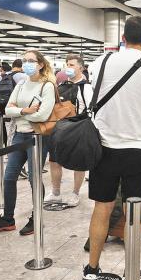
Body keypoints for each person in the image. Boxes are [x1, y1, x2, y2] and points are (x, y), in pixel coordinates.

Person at [81, 16, 141, 280]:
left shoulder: (100, 63)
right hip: (138, 149)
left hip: (103, 147)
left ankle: (92, 269)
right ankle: (130, 272)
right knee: (133, 210)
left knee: (101, 207)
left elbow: (89, 97)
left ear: (122, 38)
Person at [0, 50, 56, 236]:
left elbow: (43, 115)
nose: (27, 64)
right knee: (9, 177)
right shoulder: (22, 84)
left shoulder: (46, 86)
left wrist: (19, 110)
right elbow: (7, 109)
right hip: (18, 135)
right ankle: (8, 218)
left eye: (31, 60)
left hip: (37, 137)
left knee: (34, 177)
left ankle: (36, 216)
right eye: (25, 61)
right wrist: (25, 111)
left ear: (41, 64)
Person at [45, 54, 89, 208]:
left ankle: (75, 193)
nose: (68, 68)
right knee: (55, 161)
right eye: (67, 65)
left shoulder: (87, 88)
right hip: (59, 129)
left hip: (78, 130)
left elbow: (91, 111)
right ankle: (55, 192)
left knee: (79, 163)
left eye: (71, 65)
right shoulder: (60, 86)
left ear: (81, 68)